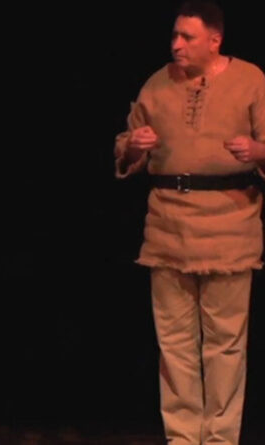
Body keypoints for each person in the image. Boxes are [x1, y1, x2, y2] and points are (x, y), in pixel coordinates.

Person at [114, 1, 265, 443]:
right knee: (175, 345)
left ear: (215, 40)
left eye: (187, 37)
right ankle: (182, 437)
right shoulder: (157, 83)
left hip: (230, 230)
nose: (176, 44)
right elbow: (125, 146)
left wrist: (258, 151)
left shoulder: (251, 80)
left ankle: (219, 438)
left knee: (225, 346)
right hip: (168, 228)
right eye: (174, 35)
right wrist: (135, 145)